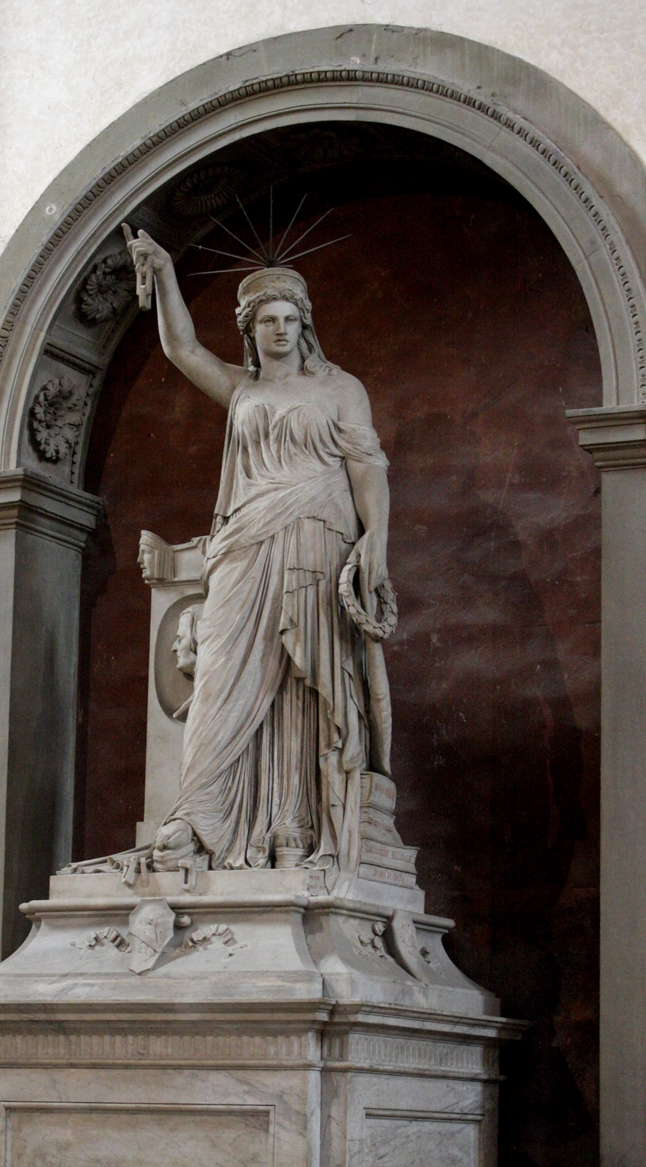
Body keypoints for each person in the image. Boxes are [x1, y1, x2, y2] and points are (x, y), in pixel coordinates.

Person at [123, 228, 392, 877]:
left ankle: (290, 823)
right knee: (220, 672)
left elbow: (368, 469)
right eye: (267, 320)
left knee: (304, 679)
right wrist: (161, 272)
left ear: (305, 325)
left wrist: (377, 538)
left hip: (316, 537)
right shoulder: (243, 392)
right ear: (250, 329)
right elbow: (182, 348)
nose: (279, 329)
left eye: (289, 318)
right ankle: (198, 814)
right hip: (244, 543)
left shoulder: (340, 389)